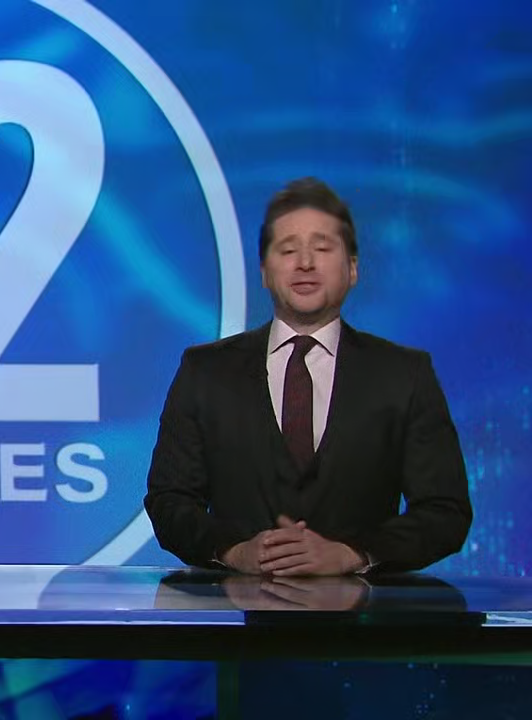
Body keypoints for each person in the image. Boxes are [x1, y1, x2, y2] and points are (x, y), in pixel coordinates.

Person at [144, 177, 471, 575]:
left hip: (366, 611)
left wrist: (354, 554)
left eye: (322, 247)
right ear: (264, 271)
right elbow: (170, 500)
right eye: (288, 249)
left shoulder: (404, 375)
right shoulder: (205, 372)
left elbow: (445, 511)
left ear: (353, 269)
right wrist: (234, 551)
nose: (305, 263)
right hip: (236, 611)